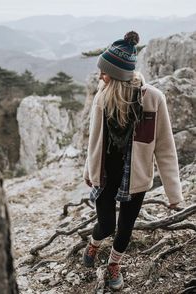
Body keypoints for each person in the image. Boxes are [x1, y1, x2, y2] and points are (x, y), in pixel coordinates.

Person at [82, 31, 184, 291]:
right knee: (106, 225)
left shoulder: (153, 99)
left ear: (117, 75)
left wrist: (174, 194)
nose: (100, 76)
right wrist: (88, 169)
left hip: (135, 177)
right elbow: (93, 140)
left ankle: (114, 265)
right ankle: (93, 244)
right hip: (106, 175)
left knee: (125, 228)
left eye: (104, 72)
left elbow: (164, 148)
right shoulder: (102, 98)